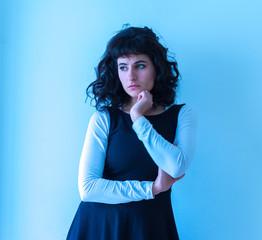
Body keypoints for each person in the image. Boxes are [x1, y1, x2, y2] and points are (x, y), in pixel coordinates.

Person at [66, 26, 197, 240]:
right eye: (123, 67)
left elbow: (176, 166)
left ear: (157, 68)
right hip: (99, 228)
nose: (131, 76)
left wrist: (138, 118)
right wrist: (151, 189)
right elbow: (88, 188)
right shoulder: (104, 119)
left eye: (140, 65)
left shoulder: (182, 115)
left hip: (151, 227)